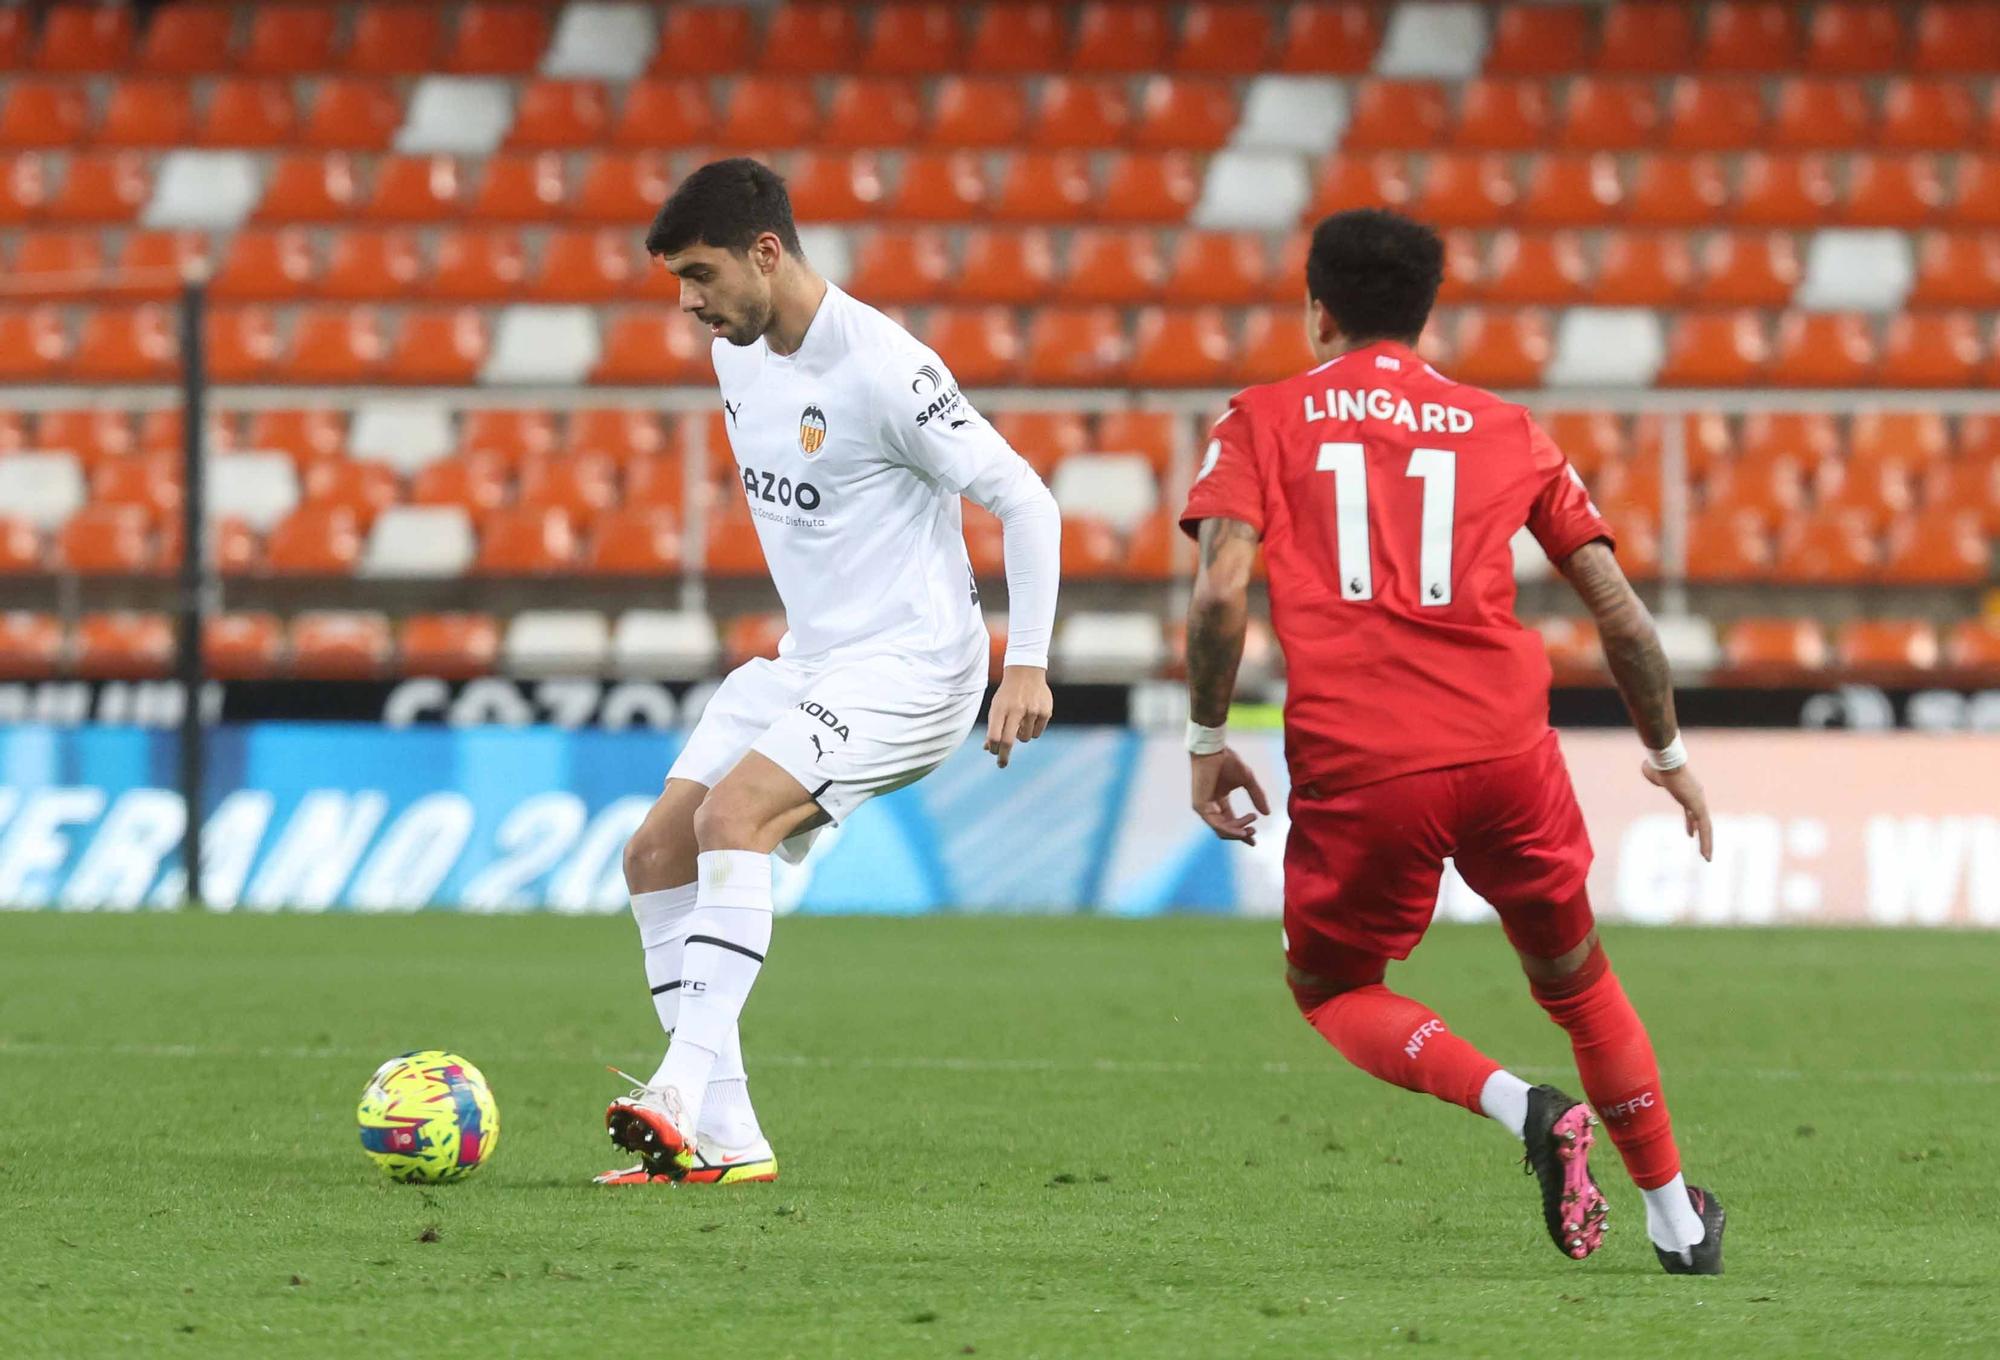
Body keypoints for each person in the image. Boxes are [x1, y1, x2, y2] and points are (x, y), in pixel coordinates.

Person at [1178, 208, 1725, 1274]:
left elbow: (1217, 597)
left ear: (1315, 309)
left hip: (1363, 759)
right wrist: (1663, 753)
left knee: (1332, 988)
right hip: (1506, 751)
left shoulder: (1262, 418)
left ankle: (1525, 1109)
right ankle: (1674, 1221)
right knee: (1575, 979)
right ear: (1426, 316)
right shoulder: (1507, 427)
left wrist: (1205, 735)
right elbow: (1619, 613)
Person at [598, 158, 1060, 1186]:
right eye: (678, 281)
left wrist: (1021, 664)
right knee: (653, 858)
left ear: (767, 252)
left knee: (733, 819)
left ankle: (675, 1088)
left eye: (702, 275)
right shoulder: (738, 353)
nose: (688, 303)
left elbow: (1026, 500)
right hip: (810, 659)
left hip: (916, 668)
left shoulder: (885, 367)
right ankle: (726, 1136)